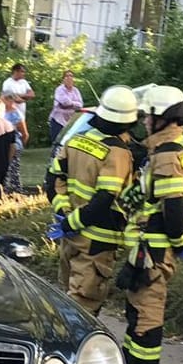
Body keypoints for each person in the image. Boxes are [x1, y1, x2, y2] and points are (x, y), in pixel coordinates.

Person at [117, 85, 183, 364]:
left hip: (153, 248)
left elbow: (174, 206)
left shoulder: (167, 157)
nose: (143, 122)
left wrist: (179, 239)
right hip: (156, 246)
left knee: (146, 310)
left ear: (163, 117)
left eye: (147, 116)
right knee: (139, 307)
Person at [57, 85, 142, 314]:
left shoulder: (75, 140)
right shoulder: (117, 153)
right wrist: (74, 222)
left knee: (66, 301)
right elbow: (106, 197)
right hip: (96, 242)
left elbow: (54, 178)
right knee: (82, 310)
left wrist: (64, 216)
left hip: (69, 239)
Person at [48, 71, 84, 147]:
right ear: (63, 79)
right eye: (67, 76)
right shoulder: (59, 89)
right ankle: (54, 158)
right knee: (57, 142)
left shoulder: (76, 90)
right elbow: (65, 102)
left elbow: (80, 105)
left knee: (68, 143)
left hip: (70, 121)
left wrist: (71, 104)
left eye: (71, 76)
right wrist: (74, 104)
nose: (69, 78)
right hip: (58, 120)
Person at [2, 93, 29, 194]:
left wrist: (19, 146)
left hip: (14, 144)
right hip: (2, 145)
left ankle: (16, 192)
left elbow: (25, 133)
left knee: (13, 170)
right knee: (3, 169)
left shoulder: (15, 114)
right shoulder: (0, 112)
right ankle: (3, 191)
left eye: (6, 100)